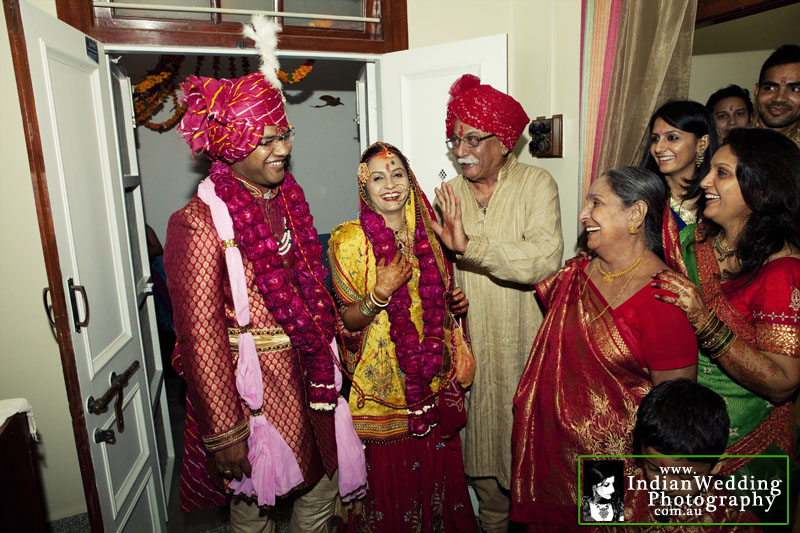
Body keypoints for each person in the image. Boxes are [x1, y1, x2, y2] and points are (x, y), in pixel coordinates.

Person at [164, 16, 365, 532]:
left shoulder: (286, 201)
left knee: (319, 497)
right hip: (254, 398)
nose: (282, 149)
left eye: (285, 135)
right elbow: (200, 333)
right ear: (232, 146)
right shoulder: (197, 223)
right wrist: (226, 431)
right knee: (255, 514)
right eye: (268, 139)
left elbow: (311, 289)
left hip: (310, 379)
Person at [510, 166, 698, 528]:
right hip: (551, 452)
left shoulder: (664, 299)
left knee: (596, 525)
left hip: (607, 469)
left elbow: (674, 414)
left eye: (596, 202)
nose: (583, 214)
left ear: (635, 214)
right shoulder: (575, 276)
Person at [431, 73, 564, 532]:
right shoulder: (446, 196)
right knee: (483, 474)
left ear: (504, 140)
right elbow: (434, 270)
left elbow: (543, 260)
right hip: (469, 354)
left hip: (523, 350)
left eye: (471, 138)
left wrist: (472, 248)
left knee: (529, 465)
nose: (460, 150)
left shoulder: (536, 185)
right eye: (454, 139)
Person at [328, 142, 478, 532]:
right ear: (365, 189)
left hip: (432, 382)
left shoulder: (430, 236)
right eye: (378, 178)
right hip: (382, 396)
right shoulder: (350, 241)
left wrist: (453, 304)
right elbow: (346, 321)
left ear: (410, 182)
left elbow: (435, 303)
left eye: (398, 175)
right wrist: (379, 295)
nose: (390, 185)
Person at [654, 127, 800, 523]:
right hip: (676, 427)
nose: (704, 181)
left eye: (721, 173)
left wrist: (703, 320)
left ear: (760, 187)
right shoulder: (692, 242)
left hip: (741, 451)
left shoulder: (781, 272)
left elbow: (783, 381)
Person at [628, 379, 761, 526]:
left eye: (685, 477)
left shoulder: (730, 522)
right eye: (654, 469)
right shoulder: (614, 487)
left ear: (716, 464)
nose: (666, 485)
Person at [640, 100, 718, 230]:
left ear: (702, 143)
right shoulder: (643, 197)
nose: (658, 148)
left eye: (672, 138)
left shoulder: (717, 197)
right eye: (655, 139)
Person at [750, 44, 800, 148]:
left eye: (794, 89)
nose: (779, 98)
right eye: (770, 88)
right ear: (756, 91)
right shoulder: (726, 147)